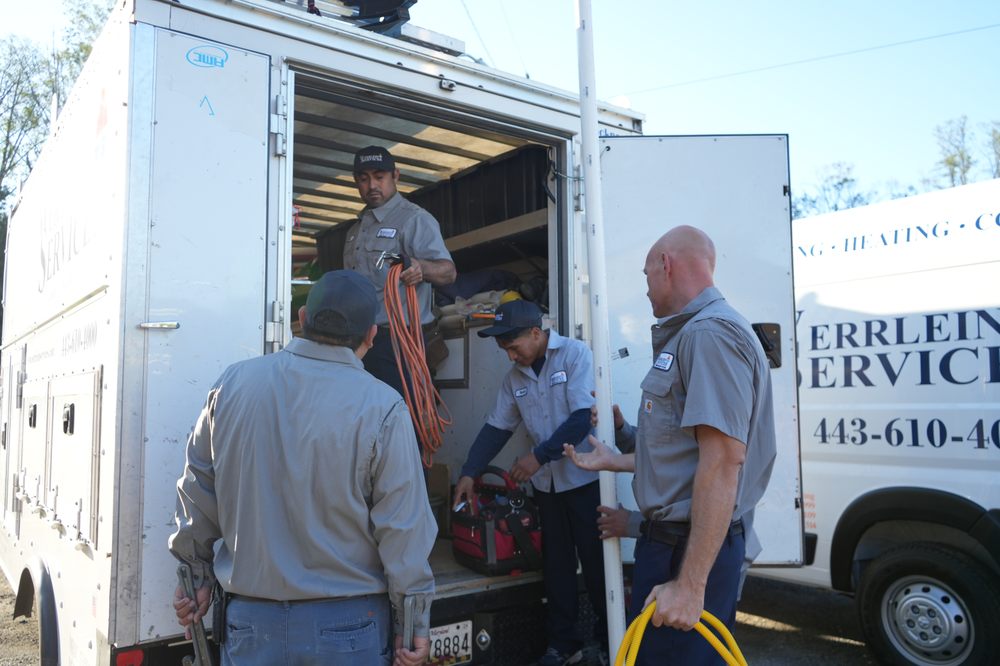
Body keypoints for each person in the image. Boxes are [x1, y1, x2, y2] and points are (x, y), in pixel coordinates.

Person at [168, 270, 436, 666]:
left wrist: (195, 577)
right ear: (371, 336)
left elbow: (197, 492)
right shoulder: (384, 406)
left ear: (301, 317)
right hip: (348, 629)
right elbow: (403, 530)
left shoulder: (232, 386)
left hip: (250, 625)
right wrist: (412, 621)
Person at [565, 225, 777, 665]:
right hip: (675, 547)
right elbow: (685, 454)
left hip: (687, 554)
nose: (645, 292)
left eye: (646, 277)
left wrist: (690, 585)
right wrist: (616, 459)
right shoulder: (698, 333)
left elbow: (722, 463)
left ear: (666, 264)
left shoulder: (708, 335)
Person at [451, 299, 607, 666]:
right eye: (504, 349)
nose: (510, 356)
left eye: (513, 346)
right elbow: (496, 428)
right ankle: (562, 645)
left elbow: (583, 417)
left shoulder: (574, 355)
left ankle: (606, 643)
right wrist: (470, 472)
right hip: (548, 488)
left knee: (598, 567)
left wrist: (539, 455)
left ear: (536, 334)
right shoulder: (514, 379)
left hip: (585, 480)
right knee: (556, 570)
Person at [343, 145, 457, 397]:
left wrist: (421, 268)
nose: (372, 185)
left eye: (379, 177)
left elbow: (448, 272)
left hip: (399, 342)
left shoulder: (414, 219)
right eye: (363, 179)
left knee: (402, 420)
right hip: (361, 340)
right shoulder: (355, 231)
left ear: (396, 176)